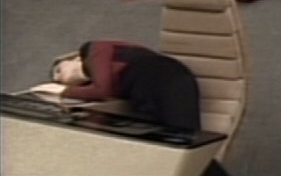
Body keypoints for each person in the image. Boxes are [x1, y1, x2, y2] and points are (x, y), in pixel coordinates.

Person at [32, 40, 230, 176]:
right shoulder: (102, 74)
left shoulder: (94, 48)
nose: (61, 77)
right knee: (171, 150)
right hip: (149, 93)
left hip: (167, 82)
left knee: (188, 146)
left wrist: (62, 91)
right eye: (57, 79)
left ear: (74, 58)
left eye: (59, 70)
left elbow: (101, 91)